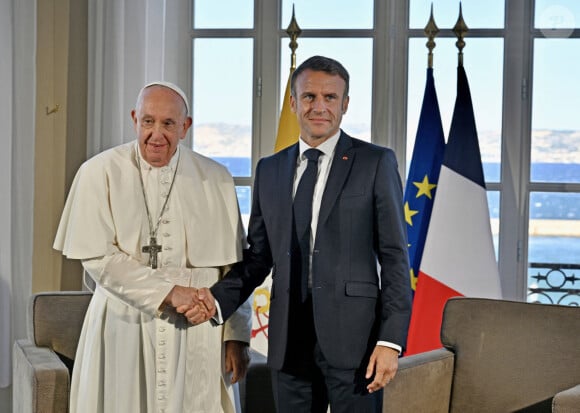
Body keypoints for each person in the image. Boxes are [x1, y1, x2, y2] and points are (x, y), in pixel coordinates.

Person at [192, 55, 412, 412]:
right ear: (293, 103)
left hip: (355, 344)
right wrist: (215, 300)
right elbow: (258, 258)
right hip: (288, 343)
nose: (319, 107)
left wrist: (390, 340)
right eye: (309, 97)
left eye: (330, 97)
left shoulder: (375, 162)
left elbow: (394, 257)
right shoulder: (270, 170)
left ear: (345, 105)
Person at [53, 81, 253, 413]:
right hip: (124, 321)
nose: (156, 134)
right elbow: (97, 258)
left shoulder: (216, 178)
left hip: (198, 327)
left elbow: (234, 267)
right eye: (148, 121)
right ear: (134, 119)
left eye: (168, 123)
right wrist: (168, 292)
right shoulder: (98, 172)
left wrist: (237, 335)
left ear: (185, 127)